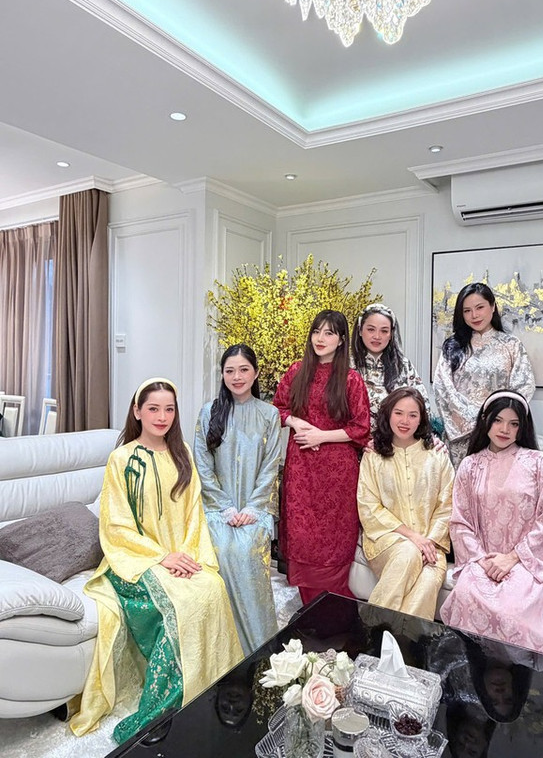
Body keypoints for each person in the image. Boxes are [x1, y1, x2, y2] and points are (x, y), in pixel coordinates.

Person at [71, 378, 243, 743]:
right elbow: (116, 527)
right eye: (153, 409)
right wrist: (163, 557)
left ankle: (210, 687)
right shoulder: (121, 460)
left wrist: (188, 557)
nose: (162, 417)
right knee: (179, 609)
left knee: (212, 587)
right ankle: (160, 709)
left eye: (169, 409)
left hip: (182, 555)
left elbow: (194, 515)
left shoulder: (182, 453)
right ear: (137, 411)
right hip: (133, 561)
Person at [440, 390, 543, 663]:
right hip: (482, 560)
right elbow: (460, 522)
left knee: (512, 607)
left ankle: (517, 671)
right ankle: (479, 666)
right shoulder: (470, 466)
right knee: (467, 594)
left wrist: (512, 558)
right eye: (498, 420)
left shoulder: (538, 463)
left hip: (526, 562)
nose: (504, 429)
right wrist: (482, 560)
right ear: (486, 420)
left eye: (514, 423)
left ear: (522, 427)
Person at [272, 309, 370, 606]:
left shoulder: (351, 380)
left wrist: (321, 436)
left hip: (337, 473)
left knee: (334, 546)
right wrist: (296, 422)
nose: (320, 338)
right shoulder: (296, 371)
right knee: (302, 539)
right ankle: (311, 614)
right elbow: (276, 408)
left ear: (341, 340)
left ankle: (335, 616)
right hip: (301, 470)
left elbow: (361, 428)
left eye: (329, 333)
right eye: (317, 331)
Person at [194, 344, 281, 656]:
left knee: (244, 550)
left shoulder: (269, 414)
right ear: (222, 375)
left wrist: (253, 508)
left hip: (256, 508)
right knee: (223, 549)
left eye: (244, 370)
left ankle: (257, 646)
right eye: (229, 371)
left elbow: (270, 466)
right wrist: (225, 507)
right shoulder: (209, 412)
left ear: (255, 373)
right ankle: (222, 649)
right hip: (216, 508)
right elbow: (202, 465)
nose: (237, 376)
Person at [357, 387, 454, 620]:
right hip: (386, 541)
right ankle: (372, 629)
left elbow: (447, 506)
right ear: (388, 414)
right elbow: (369, 506)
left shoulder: (437, 455)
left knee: (429, 580)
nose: (405, 421)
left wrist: (429, 541)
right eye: (398, 413)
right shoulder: (373, 455)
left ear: (421, 419)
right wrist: (413, 538)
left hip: (432, 543)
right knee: (409, 552)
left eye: (413, 415)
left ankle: (394, 639)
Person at [433, 283, 535, 466]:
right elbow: (443, 387)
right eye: (467, 310)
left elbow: (523, 387)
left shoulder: (512, 345)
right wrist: (475, 420)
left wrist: (495, 421)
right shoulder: (453, 345)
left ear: (493, 306)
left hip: (498, 434)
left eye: (479, 307)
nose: (474, 315)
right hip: (461, 435)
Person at [351, 302, 431, 433]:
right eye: (371, 329)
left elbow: (423, 407)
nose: (377, 336)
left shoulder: (403, 365)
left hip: (397, 439)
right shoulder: (347, 366)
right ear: (360, 330)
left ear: (391, 334)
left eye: (384, 331)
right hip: (355, 440)